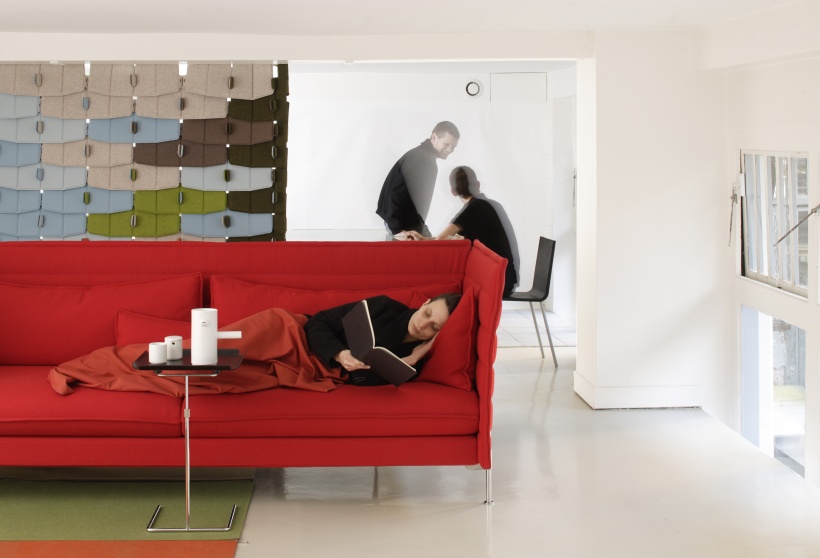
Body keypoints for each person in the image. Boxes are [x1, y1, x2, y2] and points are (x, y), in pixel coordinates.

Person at [406, 166, 519, 297]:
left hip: (498, 281)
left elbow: (441, 241)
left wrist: (423, 241)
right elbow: (452, 238)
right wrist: (423, 239)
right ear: (478, 184)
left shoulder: (474, 208)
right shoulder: (490, 204)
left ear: (453, 192)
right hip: (507, 278)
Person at [304, 293, 461, 386]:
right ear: (425, 304)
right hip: (304, 338)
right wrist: (339, 353)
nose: (422, 324)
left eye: (434, 327)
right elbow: (317, 321)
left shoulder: (415, 362)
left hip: (320, 372)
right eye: (427, 314)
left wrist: (410, 360)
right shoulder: (384, 306)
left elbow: (362, 379)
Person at [376, 121, 460, 238]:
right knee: (435, 247)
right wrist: (397, 230)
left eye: (453, 146)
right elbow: (396, 193)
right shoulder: (422, 158)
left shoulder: (422, 155)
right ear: (434, 137)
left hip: (410, 224)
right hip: (405, 228)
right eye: (446, 144)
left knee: (436, 245)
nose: (450, 150)